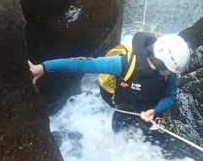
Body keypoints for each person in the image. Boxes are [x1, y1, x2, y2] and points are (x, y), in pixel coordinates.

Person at [28, 32, 190, 136]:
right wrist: (44, 67)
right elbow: (84, 64)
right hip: (124, 106)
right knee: (119, 131)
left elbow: (170, 95)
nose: (172, 75)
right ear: (160, 63)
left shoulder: (170, 74)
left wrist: (155, 110)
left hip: (149, 106)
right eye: (170, 71)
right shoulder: (124, 64)